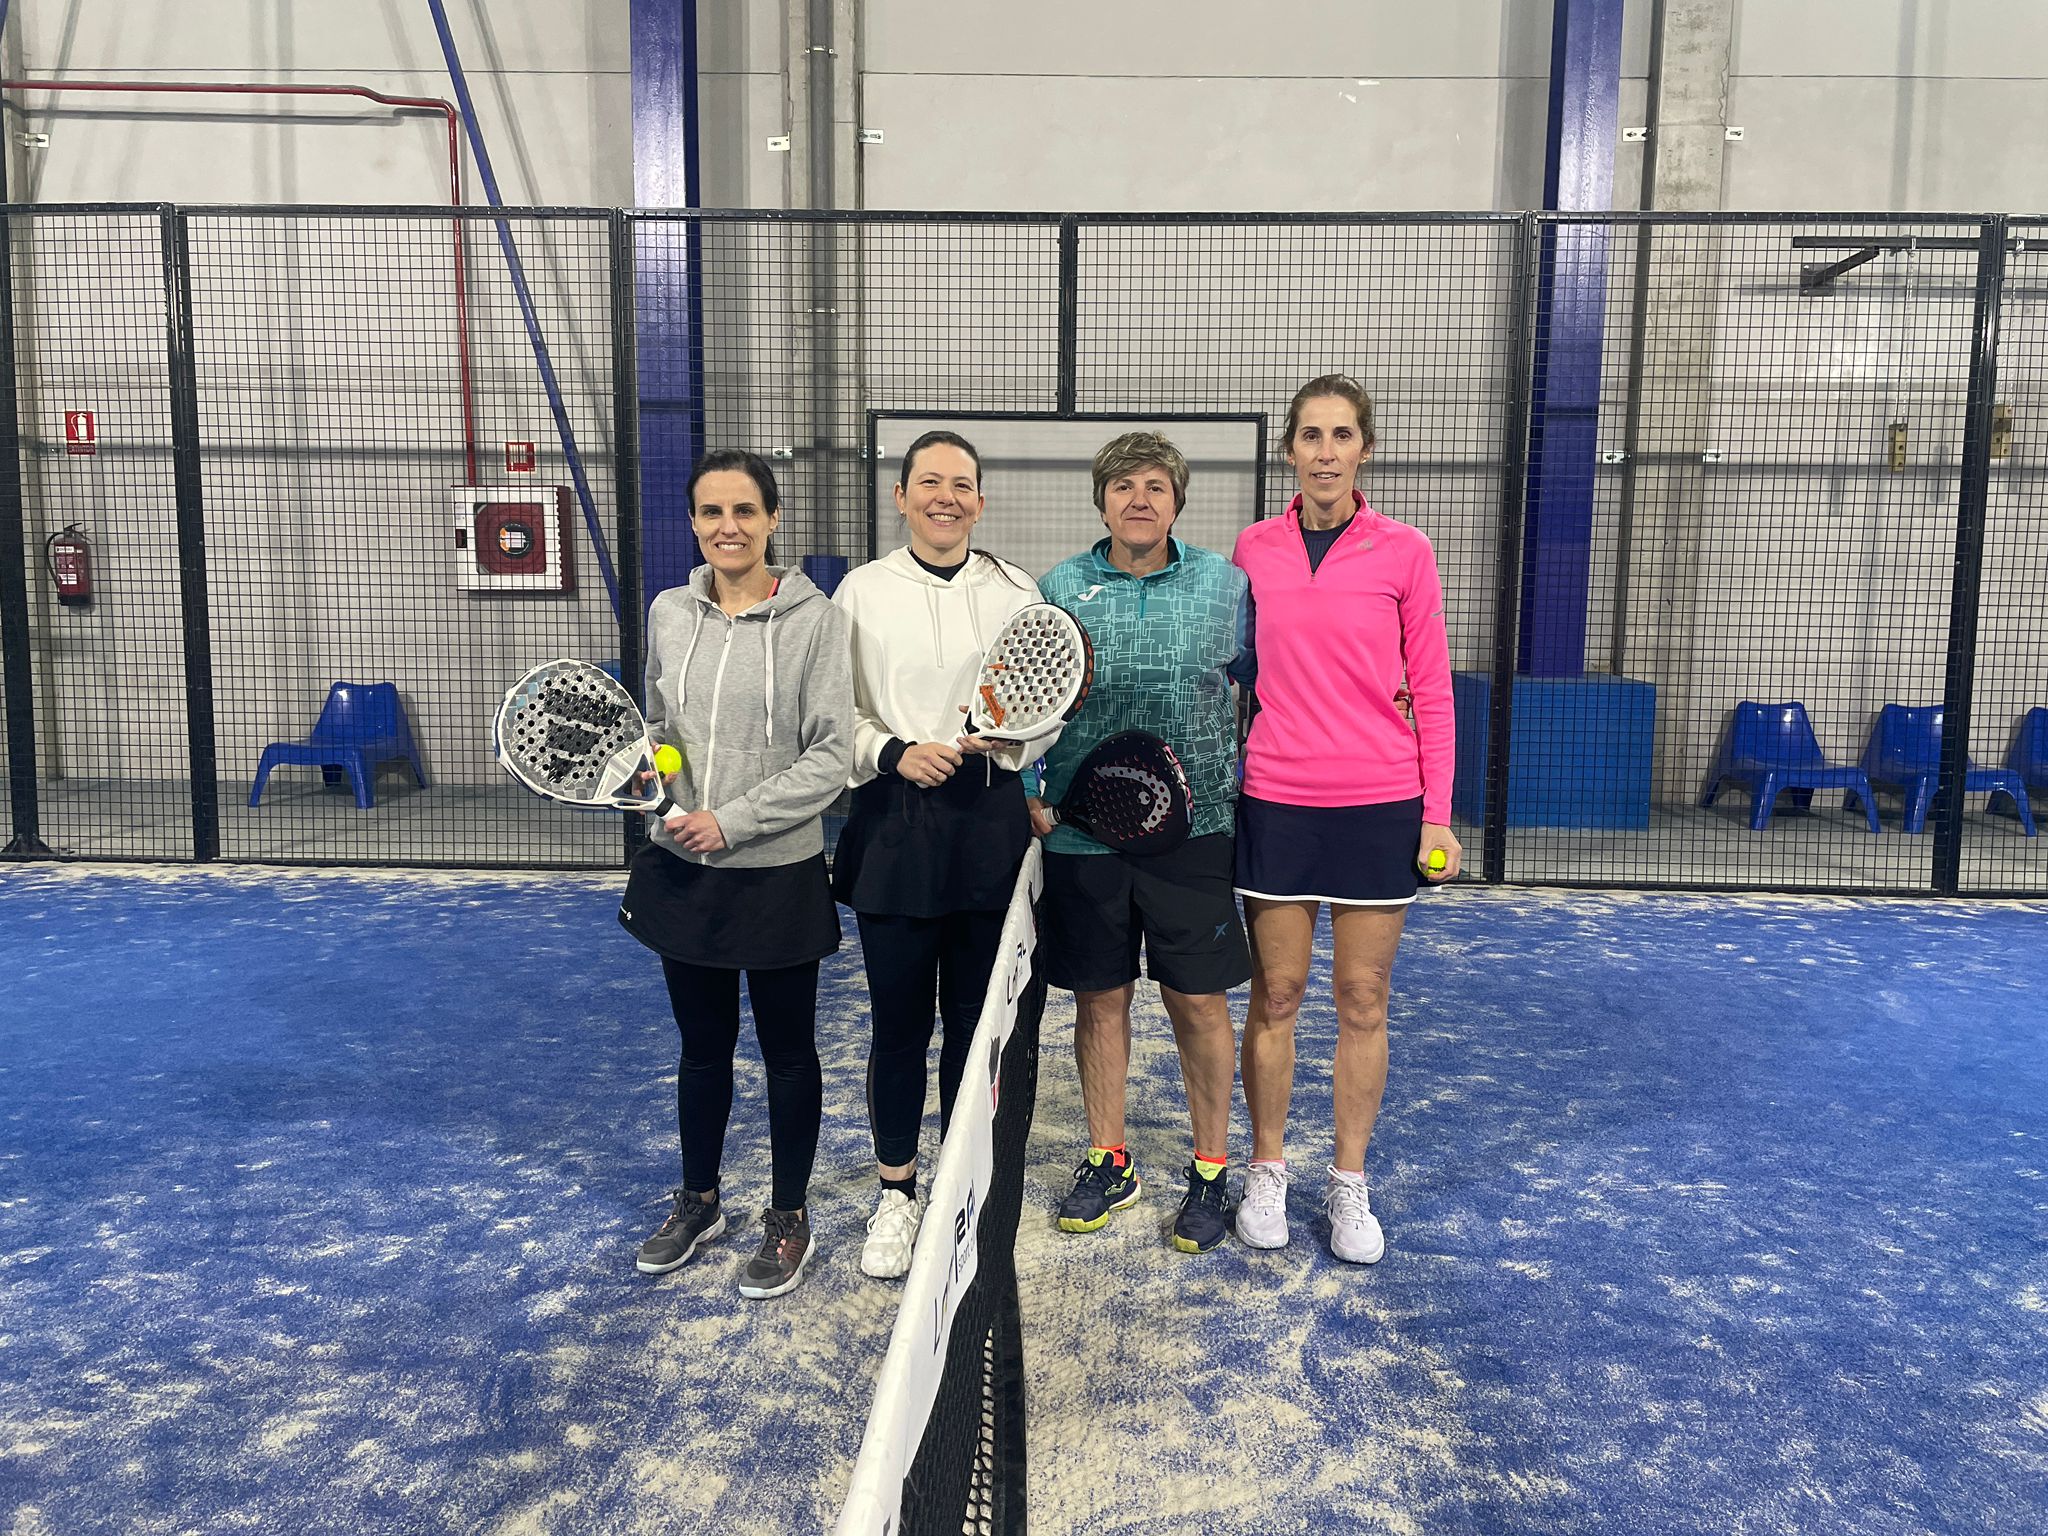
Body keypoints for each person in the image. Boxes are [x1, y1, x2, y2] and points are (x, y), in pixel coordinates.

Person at [1230, 373, 1459, 1265]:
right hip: (1277, 800)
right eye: (1311, 435)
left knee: (1363, 997)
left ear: (1365, 449)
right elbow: (1237, 675)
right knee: (1277, 994)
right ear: (1290, 449)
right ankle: (1266, 1170)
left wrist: (1436, 815)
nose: (1325, 452)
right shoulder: (1253, 548)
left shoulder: (1406, 551)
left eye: (1342, 435)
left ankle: (1349, 1181)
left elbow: (1431, 688)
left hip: (1379, 804)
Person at [619, 448, 855, 1298]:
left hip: (777, 871)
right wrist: (654, 789)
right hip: (683, 867)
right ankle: (700, 1201)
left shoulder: (817, 622)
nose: (729, 527)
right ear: (693, 523)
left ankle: (788, 1217)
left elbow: (831, 755)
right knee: (701, 1049)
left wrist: (733, 821)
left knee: (788, 1054)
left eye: (745, 511)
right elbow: (656, 725)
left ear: (772, 519)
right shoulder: (668, 612)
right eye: (712, 512)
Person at [831, 430, 1055, 1278]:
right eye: (929, 482)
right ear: (901, 496)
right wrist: (892, 751)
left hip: (988, 827)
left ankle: (962, 1185)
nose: (945, 498)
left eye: (961, 485)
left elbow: (1046, 707)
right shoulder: (860, 592)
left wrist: (1013, 744)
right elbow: (834, 715)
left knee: (973, 1022)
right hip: (894, 827)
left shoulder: (1017, 591)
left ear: (980, 502)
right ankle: (897, 1193)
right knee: (898, 1024)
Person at [1032, 431, 1252, 1255]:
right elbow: (1023, 695)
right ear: (1102, 501)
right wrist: (1027, 792)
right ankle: (1109, 1158)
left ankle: (1211, 1168)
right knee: (1101, 998)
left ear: (1177, 502)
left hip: (1195, 833)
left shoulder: (1225, 585)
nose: (1139, 500)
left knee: (1198, 1000)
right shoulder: (1059, 587)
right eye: (1124, 486)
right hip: (1086, 834)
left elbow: (1271, 687)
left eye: (1156, 486)